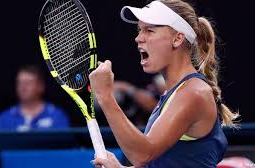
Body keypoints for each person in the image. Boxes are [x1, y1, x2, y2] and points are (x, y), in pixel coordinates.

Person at [89, 0, 239, 167]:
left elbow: (143, 154)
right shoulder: (173, 95)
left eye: (149, 30)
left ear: (177, 39)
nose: (138, 38)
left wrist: (106, 97)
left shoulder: (194, 92)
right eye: (139, 30)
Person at [0, 65, 69, 131]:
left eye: (28, 83)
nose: (23, 87)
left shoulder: (57, 115)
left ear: (41, 86)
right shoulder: (4, 118)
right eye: (19, 83)